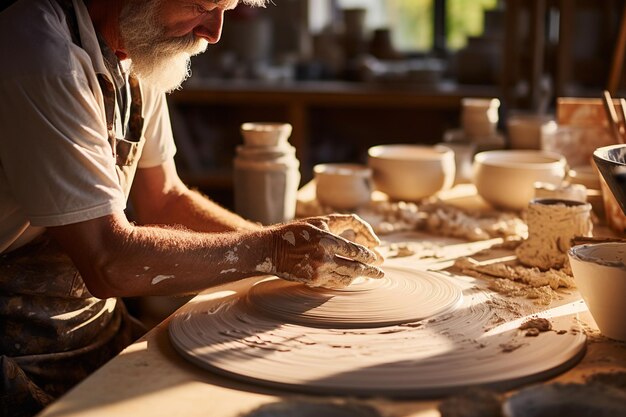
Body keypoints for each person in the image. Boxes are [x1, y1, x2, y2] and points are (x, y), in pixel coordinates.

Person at [0, 0, 384, 415]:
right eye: (204, 6)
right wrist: (273, 251)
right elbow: (107, 259)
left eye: (227, 9)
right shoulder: (37, 50)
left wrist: (288, 248)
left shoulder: (134, 53)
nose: (215, 32)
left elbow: (165, 199)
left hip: (89, 325)